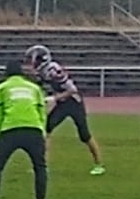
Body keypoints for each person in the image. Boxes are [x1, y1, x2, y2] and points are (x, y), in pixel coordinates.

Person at [0, 61, 49, 199]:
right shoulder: (34, 88)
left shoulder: (1, 88)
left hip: (10, 129)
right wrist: (42, 133)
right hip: (34, 129)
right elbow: (42, 112)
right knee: (40, 167)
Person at [26, 45, 106, 176]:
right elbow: (42, 87)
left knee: (84, 135)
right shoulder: (42, 71)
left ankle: (99, 164)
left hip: (74, 102)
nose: (32, 63)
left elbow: (72, 90)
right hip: (62, 104)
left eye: (33, 60)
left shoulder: (53, 69)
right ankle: (42, 165)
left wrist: (55, 98)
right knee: (46, 129)